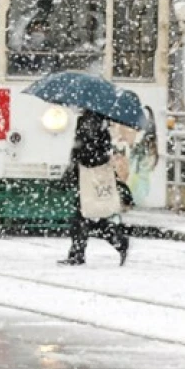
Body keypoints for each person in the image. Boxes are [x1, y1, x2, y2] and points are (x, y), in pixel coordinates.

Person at [61, 110, 129, 267]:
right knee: (87, 215)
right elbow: (99, 150)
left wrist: (77, 159)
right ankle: (80, 252)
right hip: (88, 173)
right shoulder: (100, 122)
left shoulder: (90, 121)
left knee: (86, 215)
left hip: (88, 174)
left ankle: (116, 241)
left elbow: (86, 150)